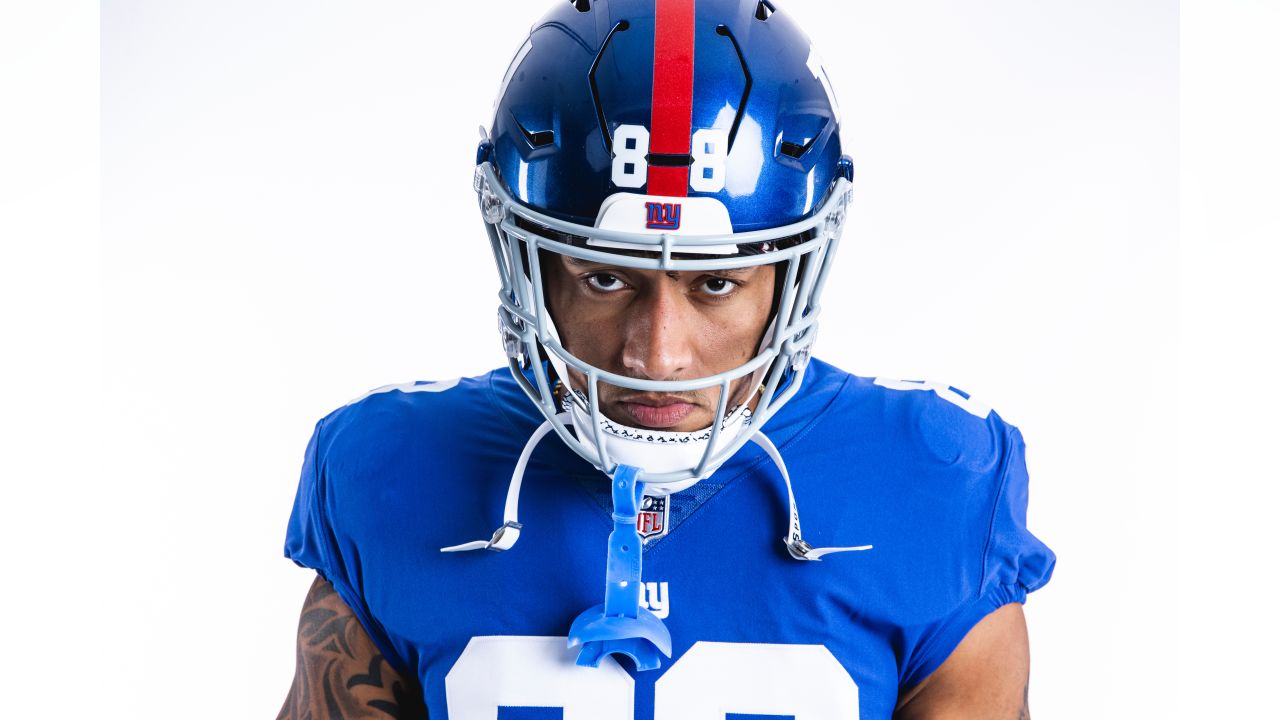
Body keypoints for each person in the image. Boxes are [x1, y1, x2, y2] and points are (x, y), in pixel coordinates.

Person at [278, 0, 1055, 717]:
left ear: (790, 277)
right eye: (604, 277)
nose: (658, 354)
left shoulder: (935, 483)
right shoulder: (392, 471)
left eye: (716, 282)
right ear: (529, 265)